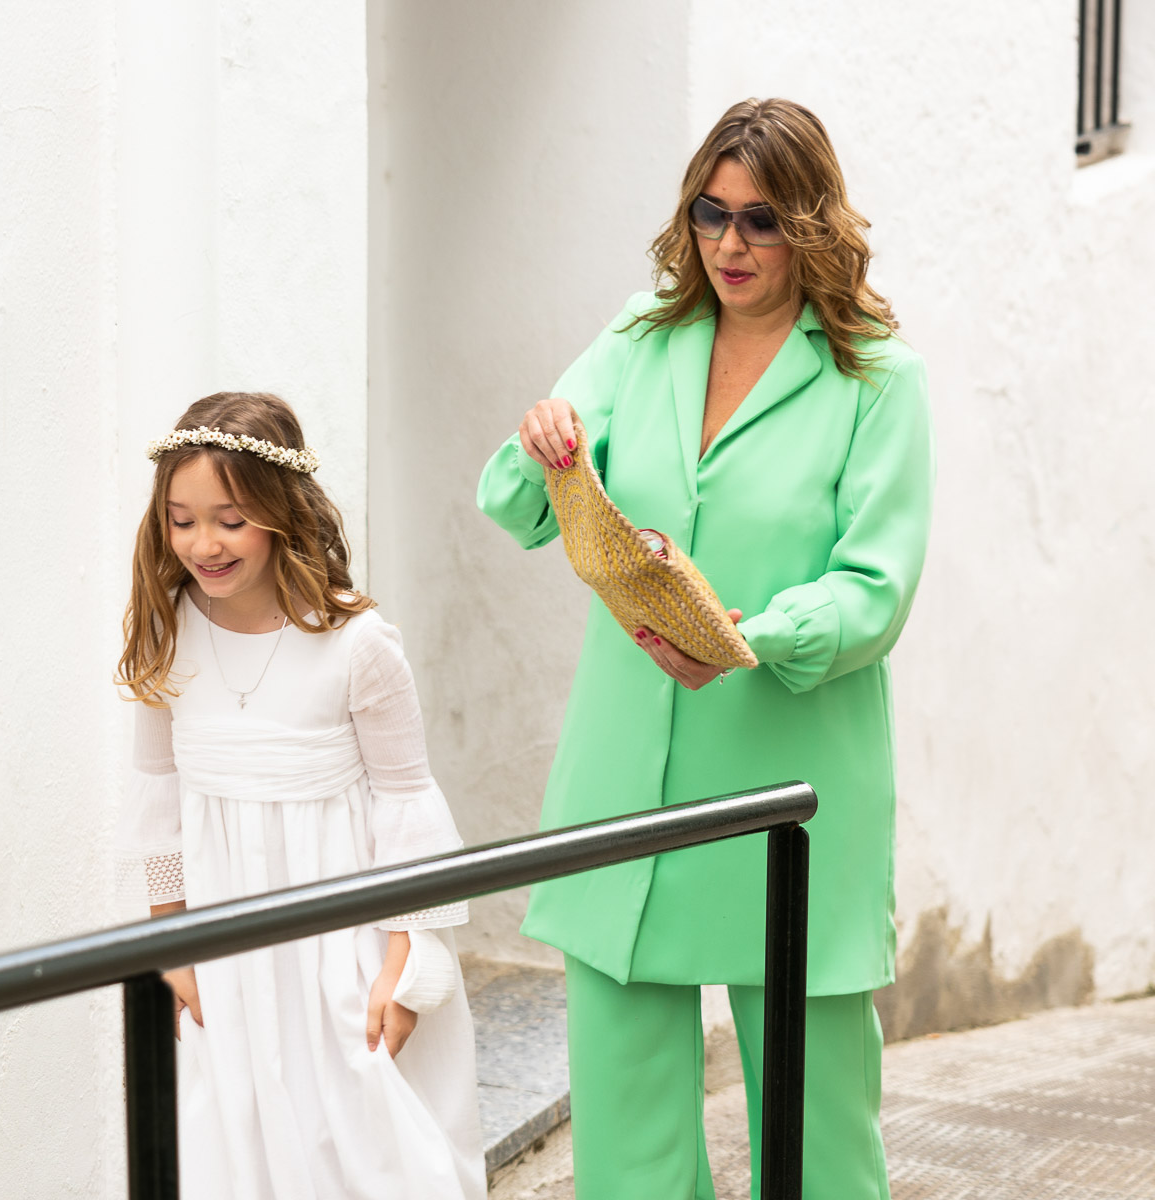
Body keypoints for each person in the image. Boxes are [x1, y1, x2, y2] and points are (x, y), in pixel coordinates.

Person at [477, 98, 933, 1198]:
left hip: (789, 797)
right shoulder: (642, 338)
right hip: (626, 793)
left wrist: (742, 638)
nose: (731, 244)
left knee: (820, 1150)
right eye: (711, 213)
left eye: (763, 220)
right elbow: (513, 502)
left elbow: (877, 589)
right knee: (628, 1151)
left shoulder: (878, 380)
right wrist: (541, 443)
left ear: (813, 225)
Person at [117, 391, 485, 1200]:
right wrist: (169, 936)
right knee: (236, 1134)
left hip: (341, 939)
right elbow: (157, 790)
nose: (203, 543)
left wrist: (408, 962)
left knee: (358, 1136)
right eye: (181, 520)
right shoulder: (168, 629)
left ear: (283, 512)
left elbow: (405, 799)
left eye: (230, 518)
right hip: (224, 944)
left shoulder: (357, 644)